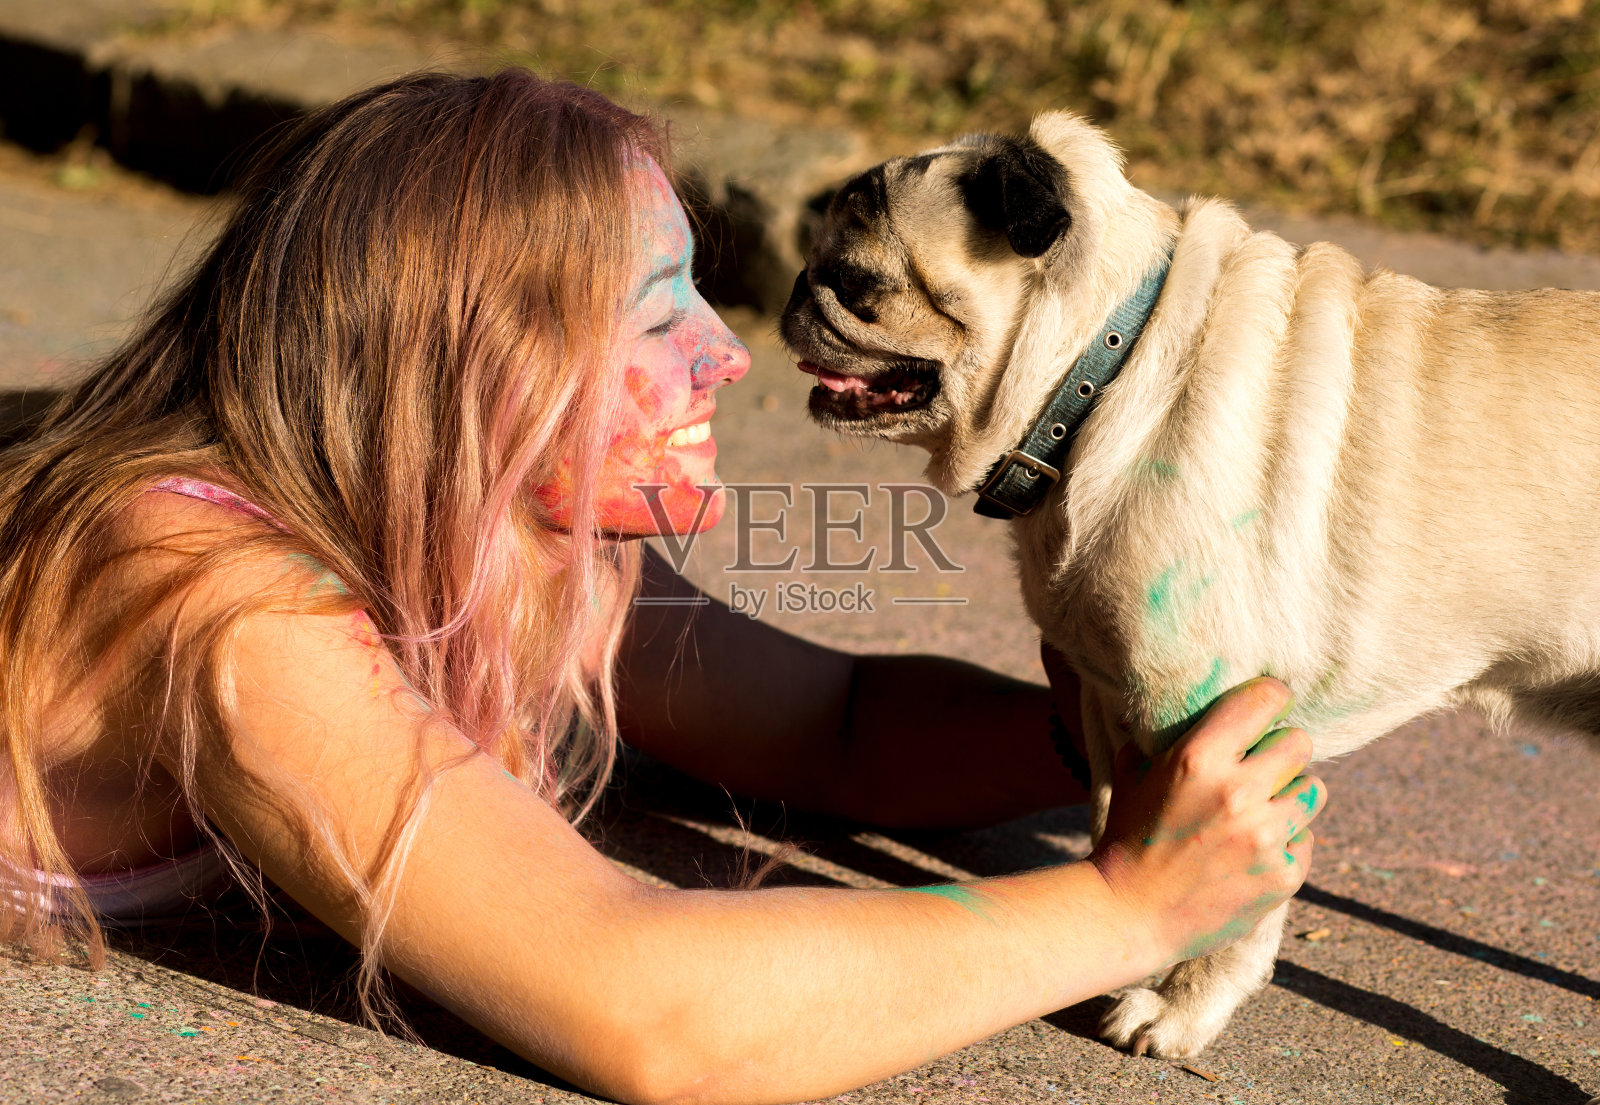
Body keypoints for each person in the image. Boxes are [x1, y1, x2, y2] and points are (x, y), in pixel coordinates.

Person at [0, 70, 1324, 1105]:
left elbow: (832, 725)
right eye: (653, 312)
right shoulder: (223, 603)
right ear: (465, 370)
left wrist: (1111, 725)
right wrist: (1130, 905)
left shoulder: (515, 529)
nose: (725, 356)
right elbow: (648, 1007)